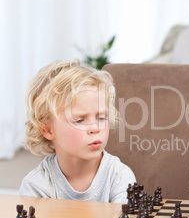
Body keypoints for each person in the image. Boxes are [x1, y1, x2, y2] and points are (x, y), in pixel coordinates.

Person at [20, 60, 136, 203]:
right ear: (47, 130)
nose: (95, 128)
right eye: (80, 120)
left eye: (101, 117)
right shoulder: (36, 186)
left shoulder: (120, 176)